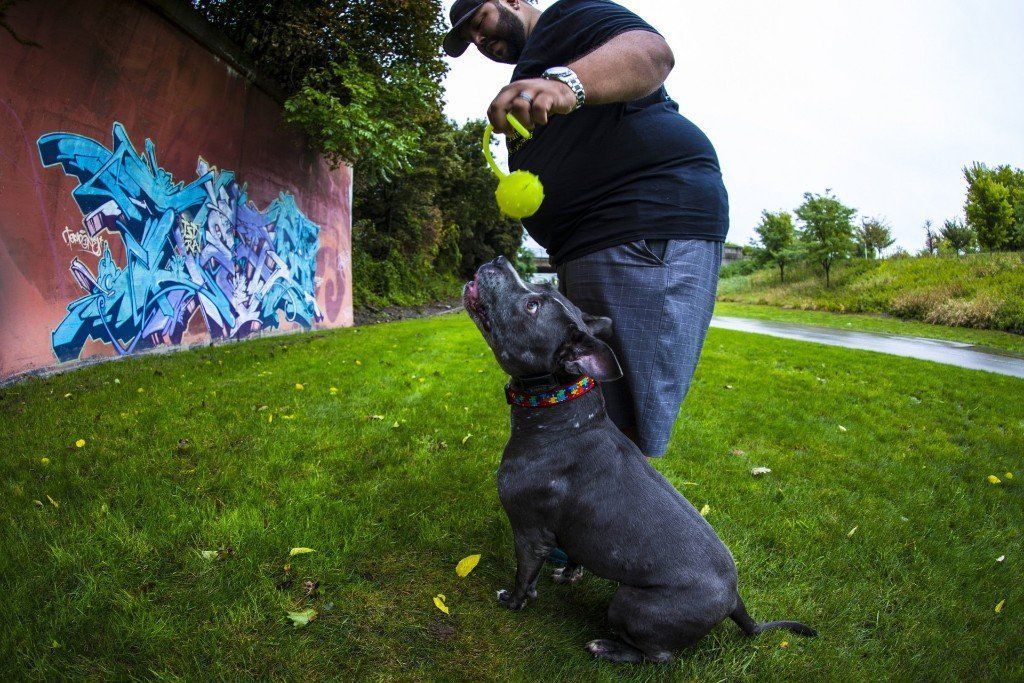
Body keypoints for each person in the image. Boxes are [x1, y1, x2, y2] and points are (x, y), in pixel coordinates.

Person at [444, 0, 729, 460]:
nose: (479, 40)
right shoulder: (526, 76)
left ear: (514, 1)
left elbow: (652, 53)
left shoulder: (568, 18)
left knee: (626, 422)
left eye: (480, 22)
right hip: (589, 242)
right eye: (469, 39)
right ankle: (584, 512)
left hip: (641, 223)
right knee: (591, 406)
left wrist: (565, 85)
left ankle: (631, 520)